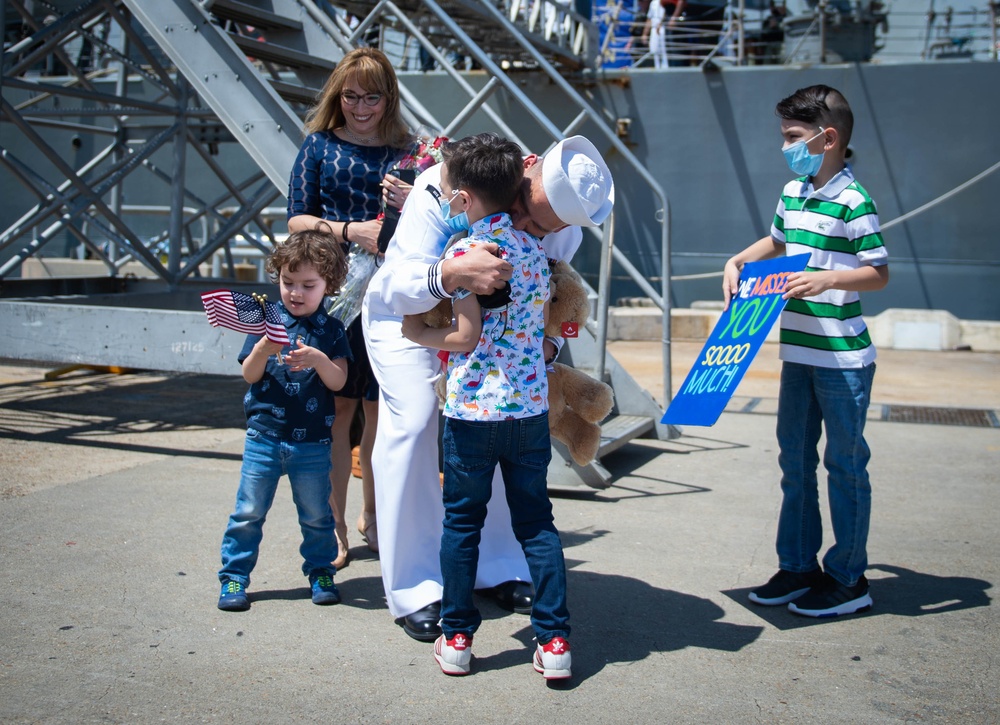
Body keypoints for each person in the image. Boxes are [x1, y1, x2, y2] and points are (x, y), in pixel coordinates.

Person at [362, 134, 613, 642]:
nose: (521, 227)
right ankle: (415, 585)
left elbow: (555, 295)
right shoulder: (449, 185)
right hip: (412, 320)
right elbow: (392, 284)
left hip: (495, 341)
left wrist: (547, 351)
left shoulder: (562, 231)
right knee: (412, 425)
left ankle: (499, 564)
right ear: (527, 173)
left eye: (538, 228)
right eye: (524, 209)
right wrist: (448, 272)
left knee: (502, 427)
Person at [401, 133, 571, 679]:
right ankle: (555, 641)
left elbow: (467, 336)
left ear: (467, 199)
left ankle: (456, 637)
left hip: (474, 413)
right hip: (528, 412)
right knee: (537, 525)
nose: (446, 200)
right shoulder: (535, 253)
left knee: (462, 525)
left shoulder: (463, 255)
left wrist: (414, 332)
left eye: (449, 191)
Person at [722, 85, 889, 618]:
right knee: (794, 463)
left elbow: (878, 273)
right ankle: (797, 566)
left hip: (843, 360)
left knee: (844, 466)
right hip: (798, 354)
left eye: (794, 137)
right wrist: (738, 260)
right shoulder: (793, 192)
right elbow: (777, 239)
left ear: (828, 137)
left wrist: (827, 279)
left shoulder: (855, 200)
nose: (786, 146)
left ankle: (848, 578)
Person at [287, 47, 416, 569]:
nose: (361, 107)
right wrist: (349, 231)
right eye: (351, 96)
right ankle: (335, 526)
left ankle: (376, 519)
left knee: (380, 408)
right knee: (338, 410)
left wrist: (412, 200)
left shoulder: (408, 152)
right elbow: (296, 219)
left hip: (388, 294)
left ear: (389, 98)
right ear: (338, 96)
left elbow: (434, 221)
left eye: (372, 97)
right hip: (334, 292)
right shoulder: (317, 146)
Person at [217, 229, 352, 612]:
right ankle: (234, 577)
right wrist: (262, 347)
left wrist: (319, 360)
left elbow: (339, 381)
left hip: (312, 442)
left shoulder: (332, 329)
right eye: (287, 282)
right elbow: (249, 375)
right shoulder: (267, 321)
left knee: (316, 515)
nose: (295, 292)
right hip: (264, 436)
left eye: (308, 285)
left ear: (329, 285)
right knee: (248, 511)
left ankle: (321, 570)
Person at [641, 0, 686, 69]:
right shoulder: (654, 3)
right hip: (656, 27)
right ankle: (657, 67)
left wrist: (672, 19)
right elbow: (649, 18)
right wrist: (644, 34)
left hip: (665, 27)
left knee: (666, 50)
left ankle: (667, 67)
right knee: (654, 50)